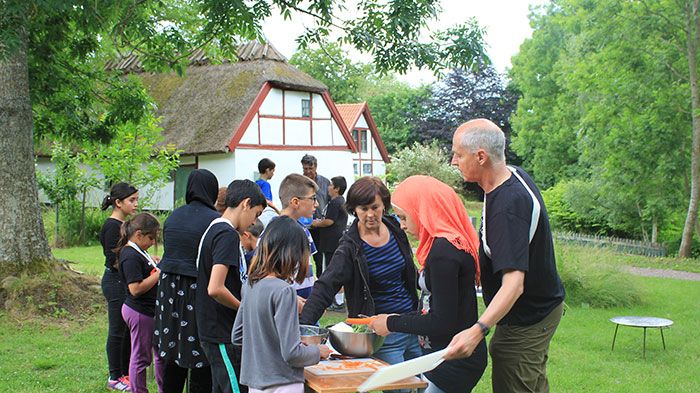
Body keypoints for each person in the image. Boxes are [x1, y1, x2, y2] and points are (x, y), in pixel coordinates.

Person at [445, 119, 565, 393]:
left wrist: (478, 330)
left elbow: (515, 285)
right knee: (528, 375)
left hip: (529, 315)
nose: (453, 161)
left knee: (509, 359)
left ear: (481, 157)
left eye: (458, 154)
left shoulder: (508, 207)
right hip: (541, 306)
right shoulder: (509, 175)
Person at [369, 176, 487, 393]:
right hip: (444, 356)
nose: (402, 225)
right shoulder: (444, 245)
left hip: (453, 360)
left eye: (404, 217)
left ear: (423, 210)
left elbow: (442, 321)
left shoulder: (444, 253)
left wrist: (392, 323)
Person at [300, 176, 421, 368]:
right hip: (382, 335)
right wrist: (303, 328)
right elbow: (326, 286)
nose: (370, 214)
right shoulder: (349, 247)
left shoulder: (396, 228)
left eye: (375, 207)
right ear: (354, 210)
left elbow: (409, 272)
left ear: (384, 205)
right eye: (363, 209)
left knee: (425, 385)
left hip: (413, 325)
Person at [232, 216, 331, 393]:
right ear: (294, 254)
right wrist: (318, 351)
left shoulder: (250, 285)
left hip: (255, 384)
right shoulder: (284, 291)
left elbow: (238, 336)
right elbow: (292, 353)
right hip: (284, 384)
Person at [195, 179, 266, 393]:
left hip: (216, 329)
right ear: (245, 204)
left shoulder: (215, 228)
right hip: (221, 331)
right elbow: (215, 288)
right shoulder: (225, 234)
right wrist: (245, 309)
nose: (254, 222)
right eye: (256, 213)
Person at [154, 169, 219, 393]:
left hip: (169, 291)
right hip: (196, 290)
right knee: (201, 352)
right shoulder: (214, 221)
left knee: (174, 350)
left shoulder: (174, 216)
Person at [117, 213, 165, 393]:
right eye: (151, 238)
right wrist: (158, 274)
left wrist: (153, 264)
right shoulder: (129, 255)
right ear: (138, 234)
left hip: (149, 311)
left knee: (159, 354)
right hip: (139, 312)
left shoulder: (139, 251)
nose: (153, 242)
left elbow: (144, 271)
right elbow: (135, 289)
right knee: (141, 358)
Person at [100, 182, 139, 391]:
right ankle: (115, 376)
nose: (135, 204)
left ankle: (125, 374)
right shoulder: (111, 227)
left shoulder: (123, 225)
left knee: (125, 330)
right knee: (117, 330)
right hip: (115, 282)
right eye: (131, 200)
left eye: (136, 200)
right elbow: (115, 259)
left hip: (122, 281)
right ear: (118, 202)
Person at [278, 173, 319, 300]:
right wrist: (293, 300)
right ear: (295, 202)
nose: (316, 204)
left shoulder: (303, 230)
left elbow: (309, 268)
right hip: (287, 307)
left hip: (307, 306)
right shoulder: (275, 232)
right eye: (313, 198)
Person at [310, 176, 348, 277]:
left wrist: (315, 223)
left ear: (337, 189)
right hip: (333, 241)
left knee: (330, 267)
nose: (328, 187)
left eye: (331, 185)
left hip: (332, 242)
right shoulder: (338, 201)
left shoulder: (335, 202)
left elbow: (329, 221)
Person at [301, 154, 331, 278]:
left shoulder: (325, 182)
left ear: (315, 167)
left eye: (310, 168)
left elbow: (331, 201)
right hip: (304, 226)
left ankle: (321, 280)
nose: (308, 171)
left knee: (321, 259)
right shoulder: (300, 182)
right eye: (305, 169)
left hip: (321, 227)